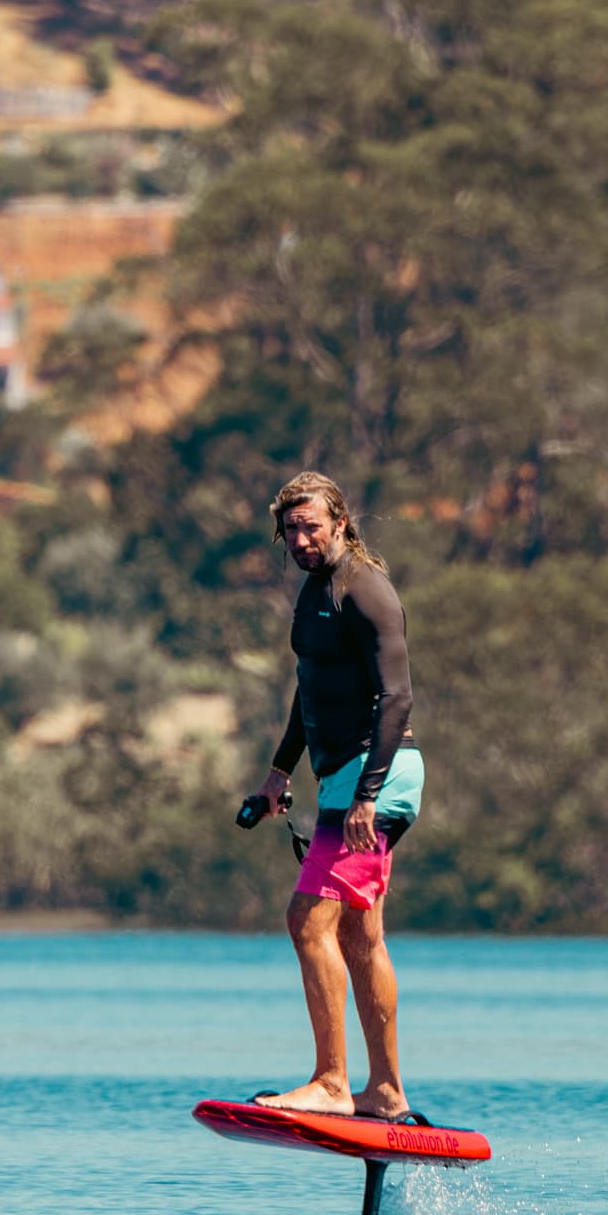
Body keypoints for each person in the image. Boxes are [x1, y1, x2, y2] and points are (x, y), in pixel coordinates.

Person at [237, 472, 423, 1119]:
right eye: (289, 529)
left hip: (376, 777)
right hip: (346, 777)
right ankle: (386, 1093)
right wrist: (279, 772)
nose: (300, 539)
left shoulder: (364, 589)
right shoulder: (315, 590)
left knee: (306, 920)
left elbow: (396, 696)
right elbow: (310, 688)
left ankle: (332, 1082)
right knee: (358, 937)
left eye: (311, 526)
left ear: (340, 523)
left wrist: (367, 798)